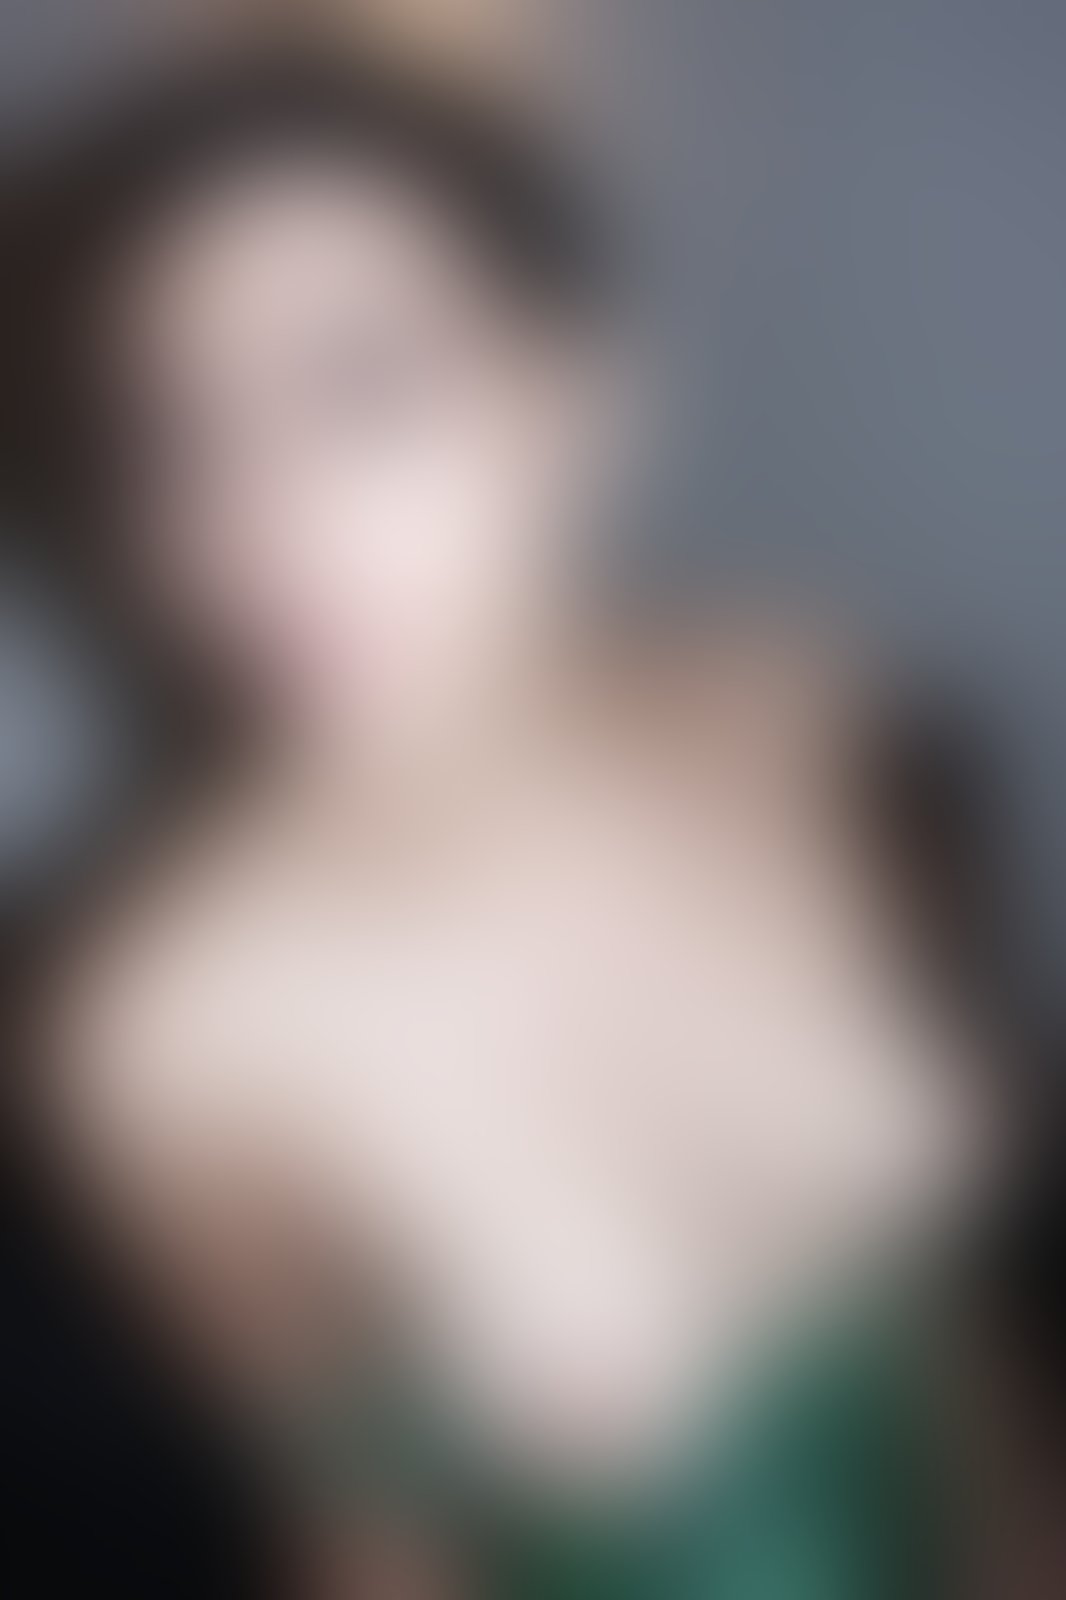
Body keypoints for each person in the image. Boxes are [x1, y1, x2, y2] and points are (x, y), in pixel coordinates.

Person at [11, 54, 1004, 1598]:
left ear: (575, 398)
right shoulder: (161, 1026)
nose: (252, 521)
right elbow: (360, 1546)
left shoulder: (807, 731)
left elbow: (960, 1327)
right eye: (171, 436)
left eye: (355, 390)